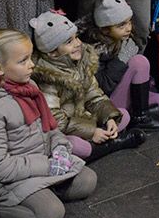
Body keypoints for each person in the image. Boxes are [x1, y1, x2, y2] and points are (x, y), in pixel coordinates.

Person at [0, 29, 97, 218]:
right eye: (23, 61)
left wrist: (60, 148)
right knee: (50, 214)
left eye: (30, 58)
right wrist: (47, 166)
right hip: (10, 180)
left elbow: (50, 127)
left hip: (40, 164)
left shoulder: (28, 86)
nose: (32, 64)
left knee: (87, 180)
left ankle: (44, 191)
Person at [28, 11, 146, 163]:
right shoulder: (47, 78)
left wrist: (109, 118)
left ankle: (99, 145)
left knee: (123, 115)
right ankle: (110, 145)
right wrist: (91, 132)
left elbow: (95, 96)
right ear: (52, 53)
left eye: (76, 37)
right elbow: (56, 120)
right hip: (68, 129)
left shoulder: (82, 62)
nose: (78, 43)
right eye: (69, 42)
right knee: (75, 145)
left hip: (85, 120)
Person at [82, 0, 159, 131]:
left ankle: (138, 115)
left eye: (129, 22)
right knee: (139, 62)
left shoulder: (126, 41)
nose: (128, 28)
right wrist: (123, 58)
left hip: (133, 98)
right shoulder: (95, 51)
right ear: (105, 30)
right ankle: (140, 118)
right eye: (121, 25)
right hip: (110, 102)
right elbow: (104, 86)